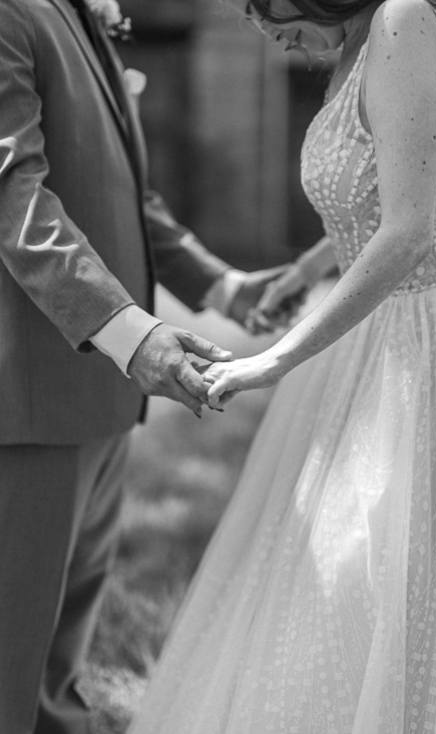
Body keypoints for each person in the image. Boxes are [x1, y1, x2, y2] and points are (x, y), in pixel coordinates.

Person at [126, 0, 436, 730]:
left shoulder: (403, 23)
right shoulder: (360, 42)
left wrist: (275, 360)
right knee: (329, 567)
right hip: (369, 330)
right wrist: (308, 266)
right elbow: (385, 192)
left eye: (269, 7)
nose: (262, 26)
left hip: (424, 337)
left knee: (385, 563)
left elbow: (412, 231)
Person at [0, 0, 296, 731]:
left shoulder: (79, 13)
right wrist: (131, 333)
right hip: (32, 393)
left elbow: (127, 195)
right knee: (11, 655)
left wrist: (221, 286)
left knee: (57, 665)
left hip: (100, 396)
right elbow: (15, 195)